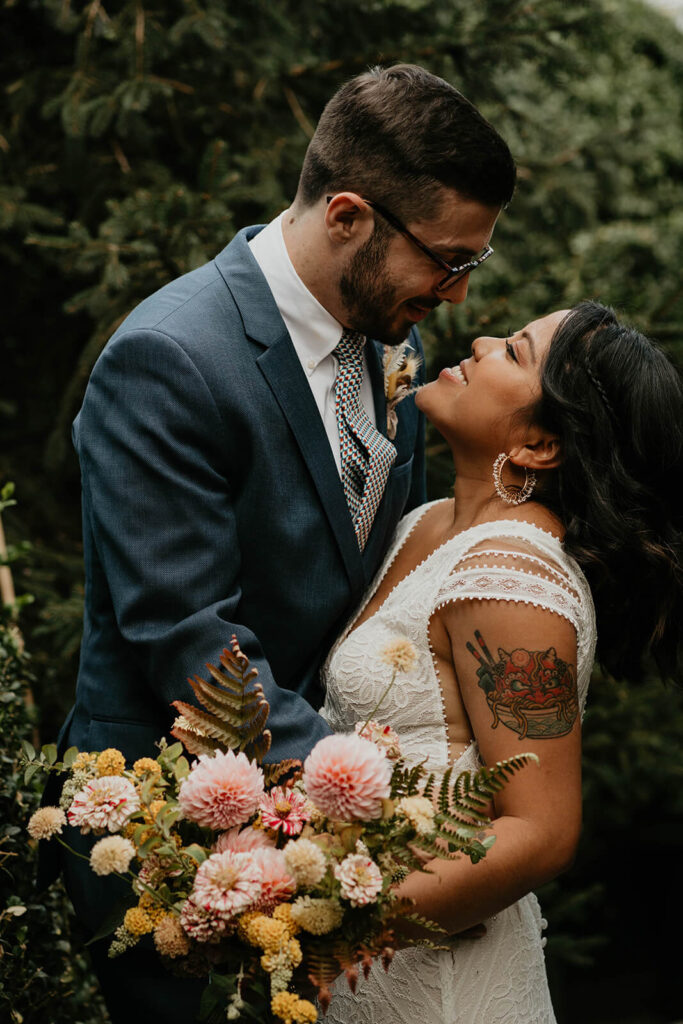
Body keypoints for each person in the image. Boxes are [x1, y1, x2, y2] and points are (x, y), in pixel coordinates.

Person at [39, 65, 516, 1022]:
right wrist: (386, 802)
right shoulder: (170, 358)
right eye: (446, 262)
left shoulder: (389, 339)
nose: (457, 296)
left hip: (324, 836)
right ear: (347, 215)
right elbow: (188, 636)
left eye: (472, 267)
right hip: (171, 840)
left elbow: (375, 587)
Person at [320, 300, 683, 1024]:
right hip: (364, 969)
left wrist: (329, 926)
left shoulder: (511, 580)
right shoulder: (426, 524)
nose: (480, 342)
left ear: (540, 446)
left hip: (433, 985)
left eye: (513, 353)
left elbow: (540, 832)